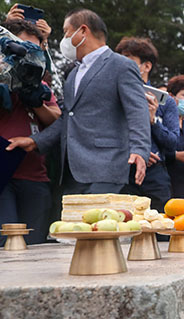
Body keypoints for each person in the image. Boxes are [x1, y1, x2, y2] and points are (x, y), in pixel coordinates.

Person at [6, 9, 150, 194]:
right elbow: (68, 117)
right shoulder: (73, 74)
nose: (64, 39)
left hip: (106, 168)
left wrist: (140, 150)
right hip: (71, 172)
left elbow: (137, 111)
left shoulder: (121, 65)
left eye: (66, 32)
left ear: (83, 31)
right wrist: (35, 141)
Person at [0, 18, 60, 245]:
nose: (30, 55)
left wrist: (36, 102)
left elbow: (57, 120)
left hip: (35, 176)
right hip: (3, 176)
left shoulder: (41, 86)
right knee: (7, 245)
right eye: (25, 47)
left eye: (37, 49)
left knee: (35, 247)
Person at [115, 37, 179, 211]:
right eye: (119, 58)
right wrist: (137, 151)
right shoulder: (113, 96)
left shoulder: (166, 102)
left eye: (128, 58)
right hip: (122, 171)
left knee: (159, 229)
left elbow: (173, 142)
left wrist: (153, 122)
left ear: (146, 66)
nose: (122, 63)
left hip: (155, 175)